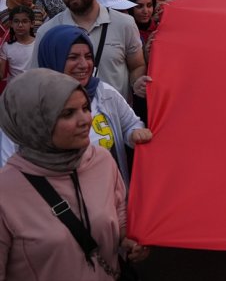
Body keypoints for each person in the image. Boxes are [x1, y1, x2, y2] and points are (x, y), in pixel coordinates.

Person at [0, 69, 148, 279]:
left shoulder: (103, 161)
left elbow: (118, 214)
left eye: (85, 108)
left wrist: (127, 240)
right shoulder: (6, 191)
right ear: (33, 121)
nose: (85, 120)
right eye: (68, 113)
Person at [35, 25, 152, 186]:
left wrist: (134, 133)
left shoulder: (104, 92)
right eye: (73, 57)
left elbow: (131, 124)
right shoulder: (31, 107)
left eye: (88, 56)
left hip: (112, 200)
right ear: (53, 58)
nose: (84, 64)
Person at [31, 0, 148, 104]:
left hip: (115, 121)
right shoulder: (48, 31)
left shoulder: (124, 23)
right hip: (68, 121)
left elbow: (137, 65)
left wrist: (135, 83)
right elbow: (37, 80)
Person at [0, 5, 35, 81]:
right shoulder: (7, 47)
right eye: (16, 21)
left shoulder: (39, 43)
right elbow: (1, 75)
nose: (20, 25)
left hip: (35, 88)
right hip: (14, 90)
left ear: (32, 23)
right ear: (11, 24)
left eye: (25, 21)